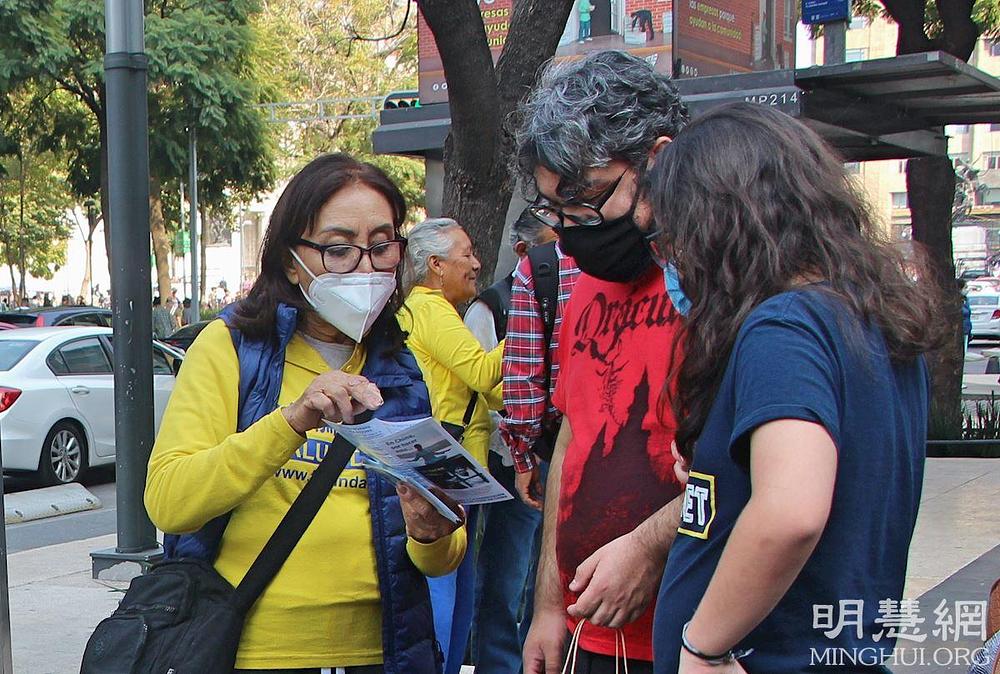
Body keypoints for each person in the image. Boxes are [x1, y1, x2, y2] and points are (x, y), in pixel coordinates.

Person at [645, 104, 946, 673]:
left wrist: (704, 646)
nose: (673, 258)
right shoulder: (871, 321)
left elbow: (792, 512)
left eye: (674, 234)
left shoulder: (785, 327)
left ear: (720, 223)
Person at [145, 153, 467, 674]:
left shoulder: (400, 367)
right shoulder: (230, 349)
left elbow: (440, 557)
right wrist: (291, 422)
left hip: (382, 653)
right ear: (292, 260)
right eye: (338, 250)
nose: (365, 269)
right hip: (256, 650)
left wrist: (433, 531)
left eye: (382, 247)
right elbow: (170, 502)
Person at [515, 50, 690, 674]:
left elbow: (745, 466)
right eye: (555, 211)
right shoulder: (584, 282)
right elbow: (573, 439)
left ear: (658, 161)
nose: (572, 229)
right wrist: (548, 605)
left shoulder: (718, 283)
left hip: (688, 630)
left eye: (587, 201)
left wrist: (649, 549)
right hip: (587, 633)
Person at [398, 217, 505, 674]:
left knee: (457, 581)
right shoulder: (431, 308)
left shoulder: (425, 310)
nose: (476, 264)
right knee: (446, 582)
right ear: (436, 265)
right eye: (467, 254)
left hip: (448, 462)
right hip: (449, 467)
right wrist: (533, 323)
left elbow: (489, 390)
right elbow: (483, 374)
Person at [465, 209, 565, 674]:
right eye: (551, 244)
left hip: (559, 452)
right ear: (524, 252)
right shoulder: (492, 306)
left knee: (543, 576)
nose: (563, 253)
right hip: (511, 459)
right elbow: (483, 385)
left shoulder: (578, 285)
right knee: (507, 574)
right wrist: (515, 450)